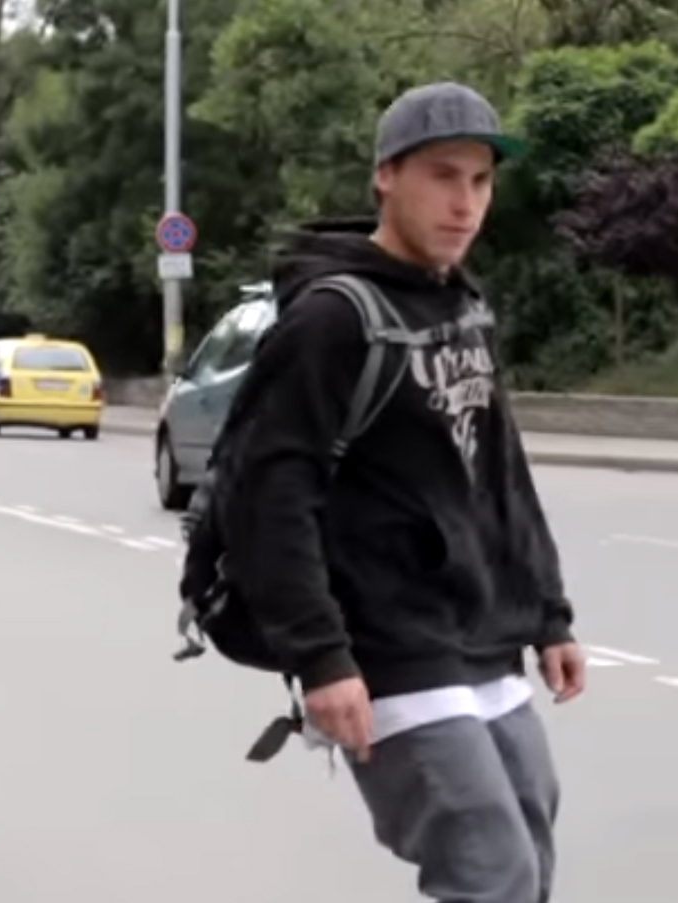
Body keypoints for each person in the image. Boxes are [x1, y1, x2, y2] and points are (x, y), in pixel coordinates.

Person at [224, 82, 585, 902]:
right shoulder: (329, 320)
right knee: (488, 865)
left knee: (529, 842)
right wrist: (321, 656)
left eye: (480, 181)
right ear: (386, 176)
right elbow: (269, 498)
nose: (465, 203)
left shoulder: (461, 302)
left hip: (478, 630)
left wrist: (548, 614)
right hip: (385, 644)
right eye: (442, 176)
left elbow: (498, 474)